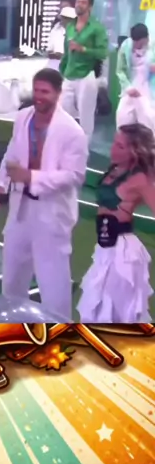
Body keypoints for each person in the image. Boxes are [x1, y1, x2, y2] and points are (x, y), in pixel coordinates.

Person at [0, 68, 89, 321]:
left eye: (45, 91)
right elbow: (12, 153)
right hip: (20, 209)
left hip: (51, 215)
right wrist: (1, 184)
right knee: (12, 279)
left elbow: (74, 176)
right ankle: (12, 328)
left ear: (58, 93)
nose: (39, 96)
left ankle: (60, 333)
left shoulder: (72, 131)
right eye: (36, 90)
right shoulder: (23, 118)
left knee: (53, 285)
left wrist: (32, 177)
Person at [77, 123, 155, 322]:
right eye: (114, 143)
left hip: (123, 253)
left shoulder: (140, 178)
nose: (113, 149)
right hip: (104, 247)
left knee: (116, 310)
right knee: (98, 306)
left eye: (120, 146)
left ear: (134, 151)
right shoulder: (115, 169)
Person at [60, 0, 109, 142]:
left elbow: (102, 53)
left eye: (83, 2)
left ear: (90, 7)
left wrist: (83, 49)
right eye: (77, 1)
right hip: (69, 75)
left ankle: (83, 150)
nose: (78, 5)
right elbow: (67, 52)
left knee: (86, 118)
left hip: (86, 76)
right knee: (63, 115)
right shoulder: (70, 26)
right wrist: (62, 71)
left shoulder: (97, 28)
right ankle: (66, 146)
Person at [115, 23, 155, 132]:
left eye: (140, 42)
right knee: (122, 117)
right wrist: (128, 88)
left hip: (148, 88)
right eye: (135, 42)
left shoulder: (153, 46)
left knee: (149, 118)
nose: (137, 45)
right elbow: (120, 70)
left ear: (146, 39)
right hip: (131, 87)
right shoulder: (126, 46)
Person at [46, 2, 76, 70]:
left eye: (65, 18)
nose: (62, 20)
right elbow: (49, 48)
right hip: (54, 66)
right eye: (62, 18)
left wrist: (62, 55)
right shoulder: (56, 28)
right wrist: (51, 53)